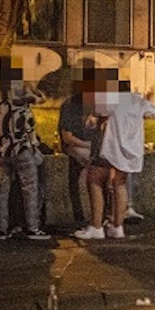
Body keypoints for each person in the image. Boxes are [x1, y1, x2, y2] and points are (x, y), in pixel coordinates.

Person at [75, 76, 155, 240]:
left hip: (112, 146)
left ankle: (96, 227)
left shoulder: (112, 99)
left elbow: (98, 111)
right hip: (131, 149)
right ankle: (117, 227)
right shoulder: (137, 99)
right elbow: (151, 112)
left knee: (95, 180)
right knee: (120, 184)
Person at [0, 60, 50, 241]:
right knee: (30, 189)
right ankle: (32, 227)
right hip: (22, 149)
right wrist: (30, 85)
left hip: (0, 150)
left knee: (2, 190)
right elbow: (43, 98)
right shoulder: (21, 94)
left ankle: (2, 229)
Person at [58, 79, 95, 227]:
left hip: (87, 144)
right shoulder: (70, 106)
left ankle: (100, 213)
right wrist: (88, 145)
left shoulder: (93, 105)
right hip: (75, 144)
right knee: (90, 164)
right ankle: (85, 215)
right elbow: (67, 138)